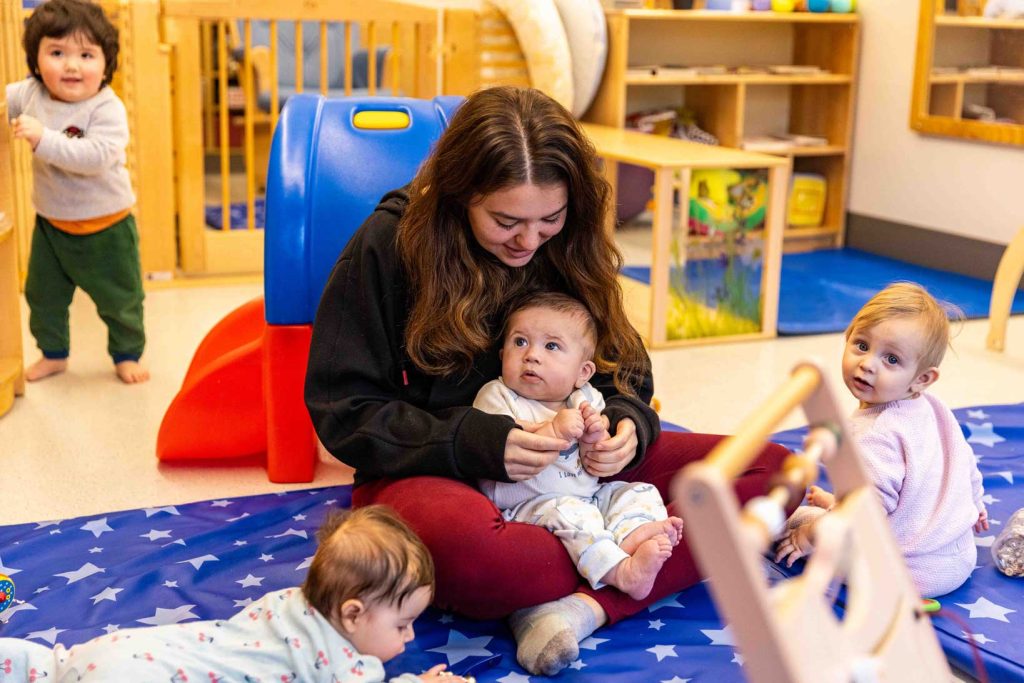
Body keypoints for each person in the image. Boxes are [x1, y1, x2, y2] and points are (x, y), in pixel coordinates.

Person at [305, 85, 792, 676]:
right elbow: (345, 409)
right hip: (443, 477)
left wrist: (625, 425)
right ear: (460, 197)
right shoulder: (390, 244)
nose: (529, 241)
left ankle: (579, 609)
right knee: (488, 564)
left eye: (549, 220)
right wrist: (471, 443)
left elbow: (624, 367)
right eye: (505, 221)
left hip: (584, 479)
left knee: (774, 473)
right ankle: (598, 568)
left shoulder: (571, 243)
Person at [0, 505, 471, 682]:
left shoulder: (286, 605)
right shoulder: (345, 667)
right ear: (351, 614)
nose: (409, 638)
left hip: (118, 652)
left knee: (51, 668)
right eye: (402, 624)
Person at [775, 282, 989, 597]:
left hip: (907, 572)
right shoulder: (935, 408)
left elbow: (863, 513)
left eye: (891, 360)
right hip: (958, 554)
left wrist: (808, 536)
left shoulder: (875, 434)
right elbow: (964, 461)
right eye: (861, 345)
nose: (868, 364)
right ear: (847, 335)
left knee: (796, 516)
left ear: (922, 379)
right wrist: (976, 504)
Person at [475, 292, 684, 601]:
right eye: (520, 342)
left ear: (582, 372)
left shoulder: (585, 397)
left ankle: (629, 536)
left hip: (585, 497)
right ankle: (621, 573)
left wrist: (597, 437)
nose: (531, 355)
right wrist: (552, 429)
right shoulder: (498, 395)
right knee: (570, 514)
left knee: (636, 491)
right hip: (527, 505)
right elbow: (495, 438)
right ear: (502, 351)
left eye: (551, 346)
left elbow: (593, 457)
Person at [7, 0, 148, 384]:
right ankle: (53, 354)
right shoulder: (32, 92)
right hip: (52, 225)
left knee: (121, 301)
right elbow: (6, 101)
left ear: (106, 65)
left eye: (86, 55)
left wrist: (42, 139)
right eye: (57, 53)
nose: (71, 65)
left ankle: (126, 354)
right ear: (36, 61)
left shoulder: (106, 108)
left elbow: (95, 157)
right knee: (42, 296)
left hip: (108, 227)